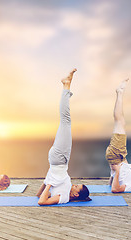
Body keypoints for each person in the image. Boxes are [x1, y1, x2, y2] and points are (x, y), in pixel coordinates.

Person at [36, 69, 91, 205]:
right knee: (65, 122)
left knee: (65, 120)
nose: (74, 185)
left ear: (76, 194)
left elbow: (41, 202)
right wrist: (48, 181)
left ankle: (66, 85)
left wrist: (50, 183)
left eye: (77, 187)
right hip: (58, 160)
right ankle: (66, 87)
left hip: (59, 159)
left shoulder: (65, 197)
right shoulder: (64, 188)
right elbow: (38, 195)